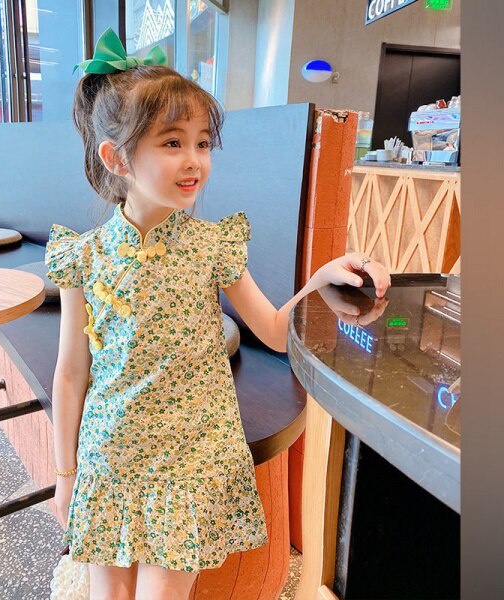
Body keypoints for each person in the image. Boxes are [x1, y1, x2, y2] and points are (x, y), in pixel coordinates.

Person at [45, 28, 391, 600]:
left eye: (203, 143)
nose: (195, 162)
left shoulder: (212, 246)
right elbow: (70, 372)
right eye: (172, 142)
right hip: (109, 457)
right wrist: (65, 476)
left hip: (191, 458)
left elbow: (275, 332)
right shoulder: (82, 257)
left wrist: (321, 277)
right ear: (116, 157)